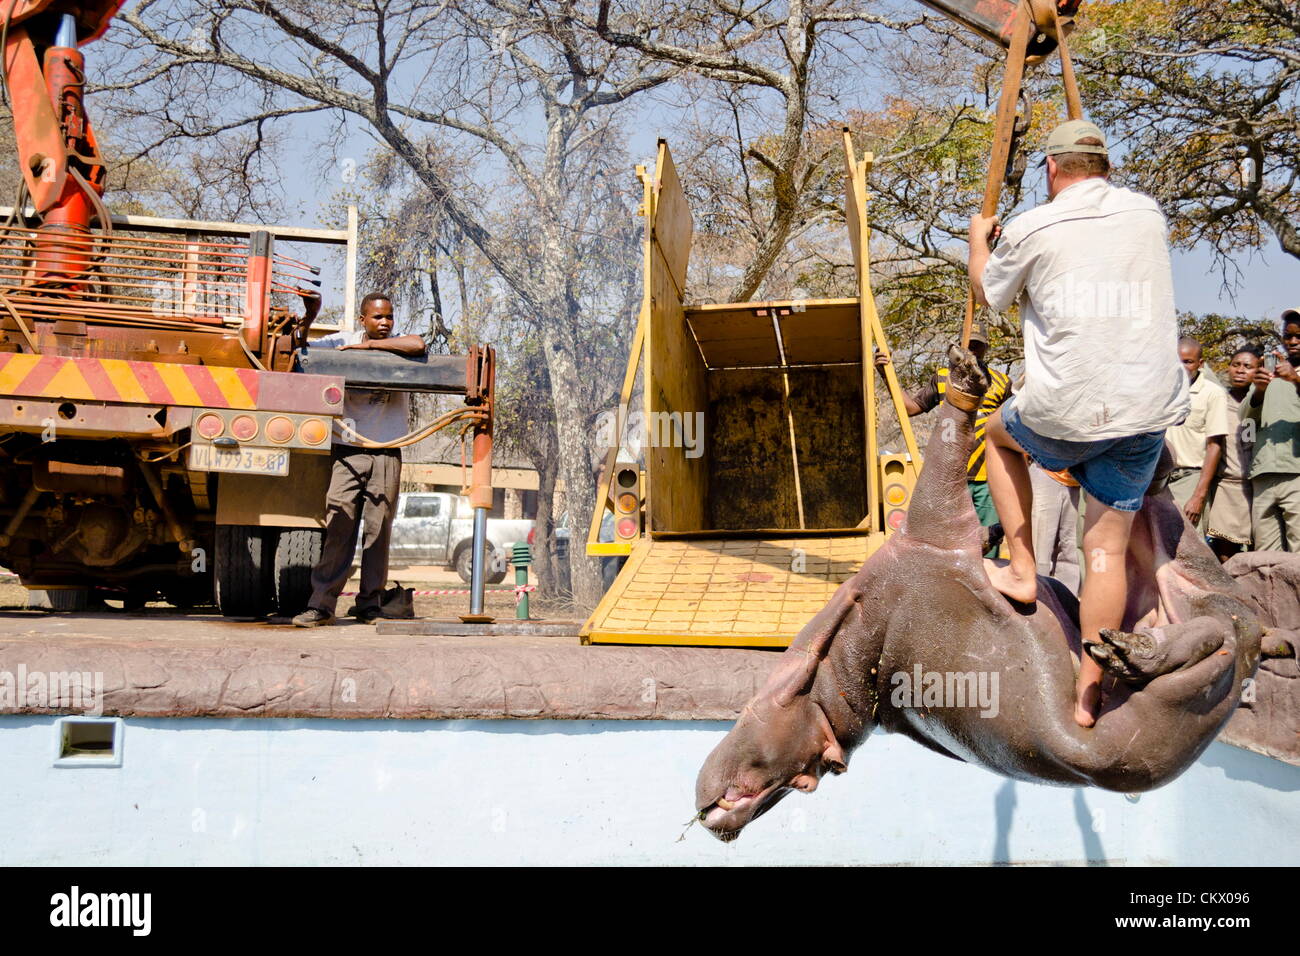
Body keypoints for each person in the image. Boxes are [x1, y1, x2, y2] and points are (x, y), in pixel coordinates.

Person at [968, 119, 1189, 727]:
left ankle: (1020, 568)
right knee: (1102, 549)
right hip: (1146, 413)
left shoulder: (1035, 225)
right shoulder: (1148, 215)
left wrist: (978, 242)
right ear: (1107, 169)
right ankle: (1090, 691)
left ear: (1051, 170)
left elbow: (990, 294)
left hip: (1064, 413)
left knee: (997, 437)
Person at [293, 293, 428, 626]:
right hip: (348, 450)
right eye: (377, 318)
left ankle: (370, 603)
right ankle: (322, 604)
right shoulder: (342, 341)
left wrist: (368, 349)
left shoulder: (400, 347)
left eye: (389, 317)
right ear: (362, 320)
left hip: (386, 450)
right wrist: (309, 318)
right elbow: (301, 349)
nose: (384, 323)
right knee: (339, 524)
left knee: (378, 530)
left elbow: (418, 344)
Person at [875, 319, 1011, 557]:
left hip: (988, 478)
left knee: (987, 546)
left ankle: (989, 591)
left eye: (978, 346)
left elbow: (1009, 426)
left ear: (986, 349)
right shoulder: (942, 378)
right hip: (950, 479)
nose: (972, 351)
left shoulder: (1001, 382)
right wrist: (887, 374)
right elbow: (911, 407)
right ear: (958, 347)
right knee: (947, 544)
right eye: (968, 345)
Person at [1243, 311, 1300, 551]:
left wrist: (1295, 380)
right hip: (1264, 472)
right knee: (1265, 559)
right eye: (1288, 336)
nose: (1293, 342)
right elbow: (1244, 420)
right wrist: (1258, 391)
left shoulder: (1290, 375)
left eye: (1299, 336)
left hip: (1296, 474)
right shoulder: (1270, 373)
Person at [1164, 336, 1228, 531]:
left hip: (1189, 479)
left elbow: (1214, 446)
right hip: (1159, 481)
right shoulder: (1162, 390)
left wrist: (1198, 496)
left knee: (1190, 550)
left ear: (1200, 364)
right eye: (1177, 361)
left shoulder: (1212, 393)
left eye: (1188, 362)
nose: (1181, 367)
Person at [1207, 348, 1261, 561]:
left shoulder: (1263, 401)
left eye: (1248, 367)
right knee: (1225, 555)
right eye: (1236, 365)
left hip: (1256, 489)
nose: (1240, 371)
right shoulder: (1219, 400)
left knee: (1257, 552)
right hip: (1226, 487)